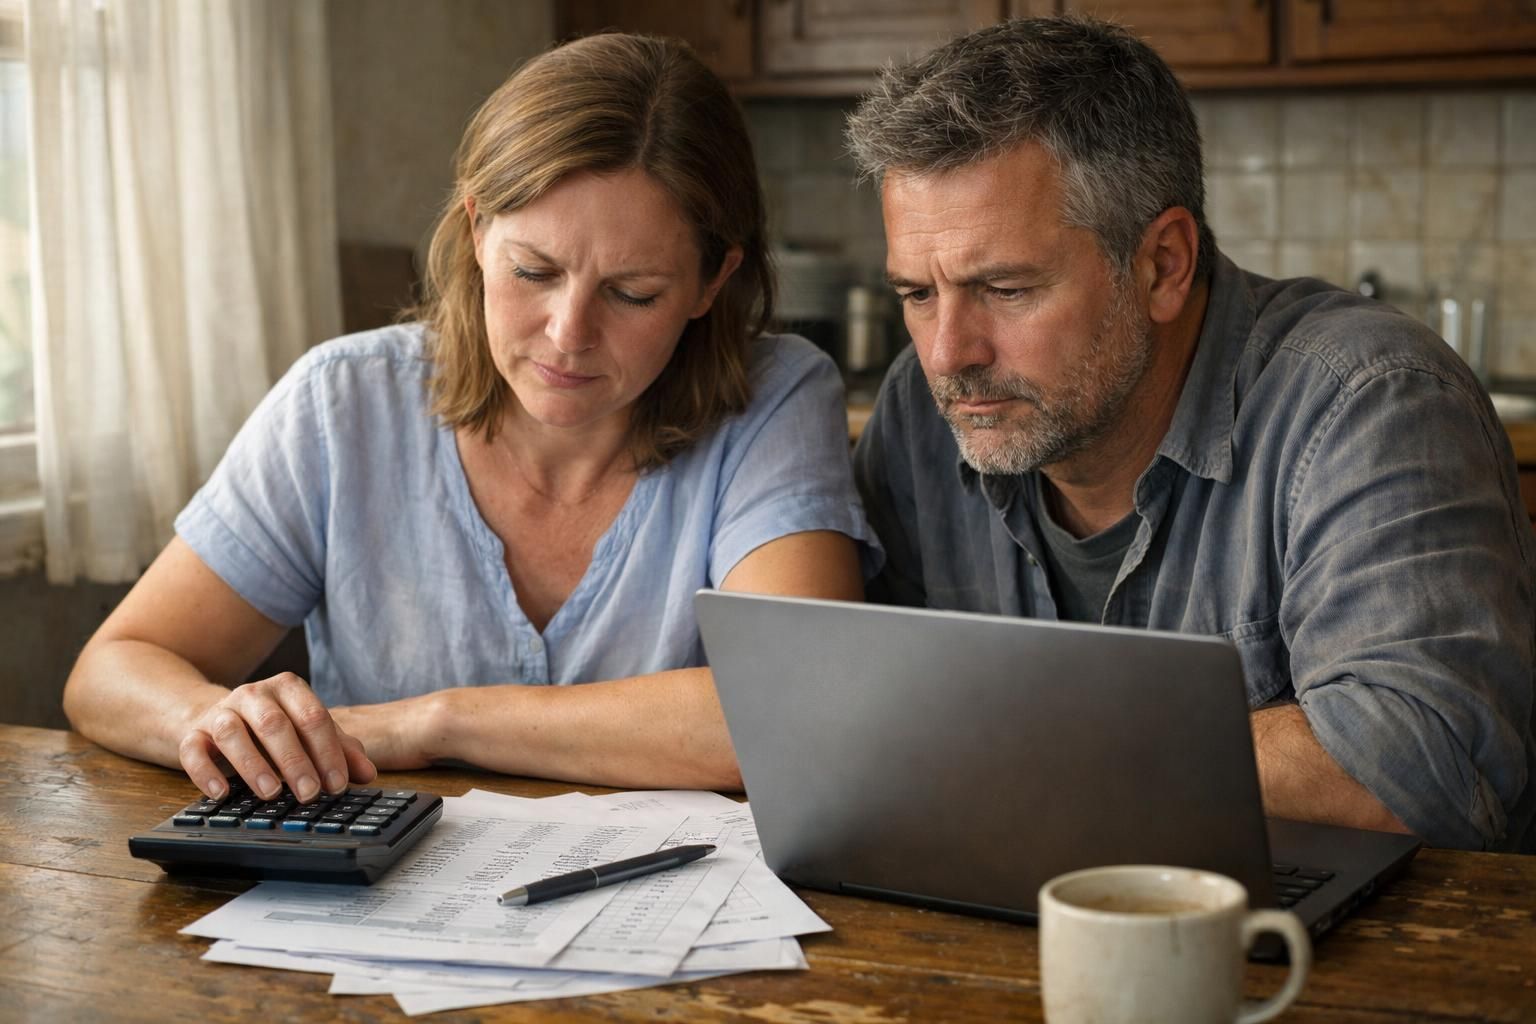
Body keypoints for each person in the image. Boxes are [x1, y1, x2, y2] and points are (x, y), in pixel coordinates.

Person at [63, 33, 876, 804]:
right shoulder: (342, 403)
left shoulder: (775, 399)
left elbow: (787, 706)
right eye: (533, 270)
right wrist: (215, 723)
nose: (568, 334)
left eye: (633, 293)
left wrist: (430, 721)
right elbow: (112, 671)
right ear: (478, 231)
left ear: (710, 283)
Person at [846, 16, 1536, 851]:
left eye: (1006, 288)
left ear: (1163, 264)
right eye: (917, 294)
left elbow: (1422, 771)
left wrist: (1020, 750)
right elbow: (857, 719)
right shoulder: (922, 416)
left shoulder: (1372, 403)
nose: (949, 354)